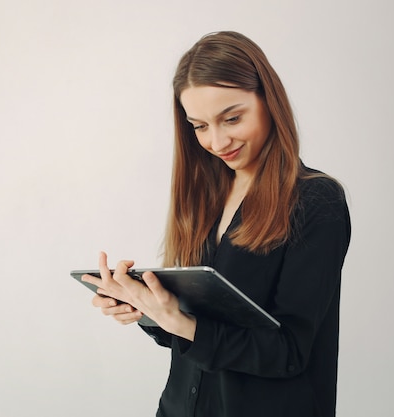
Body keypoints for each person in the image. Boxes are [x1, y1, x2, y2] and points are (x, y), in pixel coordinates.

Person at [81, 31, 351, 417]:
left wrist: (178, 320)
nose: (218, 141)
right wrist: (149, 309)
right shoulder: (204, 197)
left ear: (268, 100)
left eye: (232, 118)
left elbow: (289, 352)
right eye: (200, 126)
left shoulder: (316, 201)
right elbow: (200, 329)